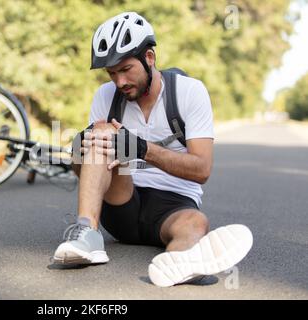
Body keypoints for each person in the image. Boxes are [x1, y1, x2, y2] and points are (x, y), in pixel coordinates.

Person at [52, 11, 253, 287]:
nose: (119, 82)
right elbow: (88, 167)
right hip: (122, 201)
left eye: (125, 70)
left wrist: (142, 149)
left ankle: (180, 261)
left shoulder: (189, 92)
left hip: (173, 206)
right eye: (112, 73)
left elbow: (202, 169)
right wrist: (80, 147)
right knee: (99, 135)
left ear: (149, 57)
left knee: (196, 223)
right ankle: (87, 234)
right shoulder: (105, 96)